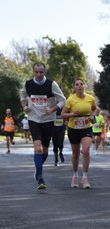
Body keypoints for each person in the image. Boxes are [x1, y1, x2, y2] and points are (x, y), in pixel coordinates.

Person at [20, 62, 66, 190]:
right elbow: (23, 96)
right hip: (34, 119)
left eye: (41, 72)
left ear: (44, 72)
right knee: (38, 148)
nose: (39, 75)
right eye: (36, 72)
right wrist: (24, 106)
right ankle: (40, 177)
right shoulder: (27, 84)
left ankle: (37, 169)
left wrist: (53, 109)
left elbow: (63, 100)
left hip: (48, 120)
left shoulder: (52, 84)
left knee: (44, 151)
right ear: (33, 72)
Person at [62, 78, 96, 189]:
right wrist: (72, 114)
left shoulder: (90, 98)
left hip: (86, 128)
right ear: (74, 87)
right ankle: (75, 175)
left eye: (81, 84)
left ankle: (85, 177)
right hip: (73, 128)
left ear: (84, 86)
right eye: (77, 84)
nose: (80, 86)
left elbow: (95, 109)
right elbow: (63, 115)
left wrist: (92, 116)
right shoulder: (70, 99)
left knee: (85, 151)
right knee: (75, 154)